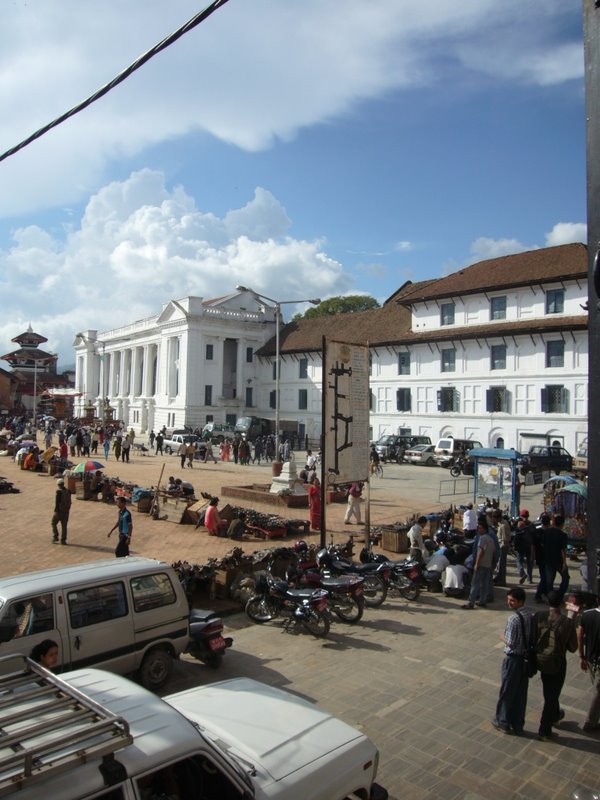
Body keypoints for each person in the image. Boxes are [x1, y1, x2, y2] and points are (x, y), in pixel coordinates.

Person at [534, 590, 577, 740]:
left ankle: (555, 713)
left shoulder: (539, 616)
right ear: (562, 604)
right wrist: (572, 620)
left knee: (549, 691)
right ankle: (544, 729)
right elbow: (573, 647)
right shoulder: (566, 622)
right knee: (552, 696)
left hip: (541, 659)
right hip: (557, 662)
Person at [492, 586, 535, 734]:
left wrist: (501, 636)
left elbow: (510, 641)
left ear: (520, 601)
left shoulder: (513, 619)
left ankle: (502, 720)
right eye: (509, 600)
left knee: (507, 691)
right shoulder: (530, 614)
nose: (510, 603)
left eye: (513, 601)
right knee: (521, 693)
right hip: (525, 659)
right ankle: (518, 723)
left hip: (513, 659)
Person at [577, 595, 600, 732]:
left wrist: (582, 656)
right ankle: (590, 722)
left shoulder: (586, 615)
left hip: (591, 659)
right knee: (598, 691)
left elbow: (580, 636)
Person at [462, 518, 494, 609]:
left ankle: (470, 602)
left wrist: (477, 563)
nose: (478, 530)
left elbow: (481, 551)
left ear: (484, 529)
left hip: (481, 564)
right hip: (488, 565)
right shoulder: (490, 539)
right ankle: (482, 601)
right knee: (484, 584)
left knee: (475, 584)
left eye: (480, 528)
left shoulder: (482, 538)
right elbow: (493, 551)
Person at [494, 510, 511, 586]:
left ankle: (502, 581)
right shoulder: (501, 523)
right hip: (501, 545)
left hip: (503, 547)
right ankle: (499, 578)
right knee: (499, 565)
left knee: (501, 564)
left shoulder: (503, 525)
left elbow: (504, 539)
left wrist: (499, 548)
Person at [51, 477, 71, 545]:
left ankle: (55, 536)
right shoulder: (68, 491)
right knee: (64, 526)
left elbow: (57, 503)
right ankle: (63, 540)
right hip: (66, 511)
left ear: (58, 484)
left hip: (59, 511)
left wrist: (56, 511)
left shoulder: (59, 492)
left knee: (53, 523)